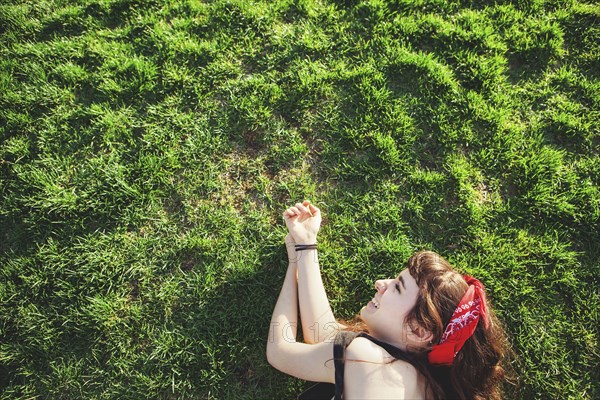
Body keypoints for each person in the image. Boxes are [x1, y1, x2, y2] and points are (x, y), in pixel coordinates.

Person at [266, 201, 510, 399]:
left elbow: (280, 351)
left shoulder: (371, 362)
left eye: (397, 287)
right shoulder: (424, 383)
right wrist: (305, 247)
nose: (381, 284)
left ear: (419, 330)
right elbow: (322, 335)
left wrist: (293, 267)